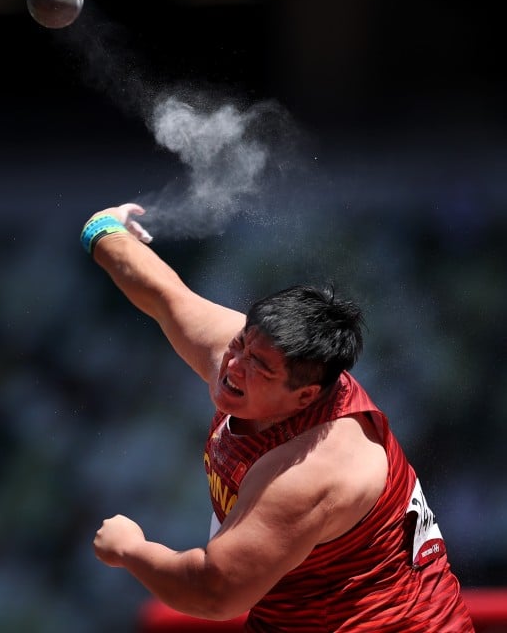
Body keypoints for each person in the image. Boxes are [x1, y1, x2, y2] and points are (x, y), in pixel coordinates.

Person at [84, 203, 474, 631]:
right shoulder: (245, 356)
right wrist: (104, 231)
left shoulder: (314, 469)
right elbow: (164, 295)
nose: (233, 367)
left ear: (305, 396)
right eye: (240, 346)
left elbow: (215, 594)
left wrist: (130, 549)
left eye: (259, 368)